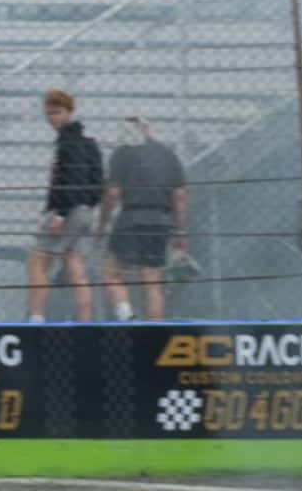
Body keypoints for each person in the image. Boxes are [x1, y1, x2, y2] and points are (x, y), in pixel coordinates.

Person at [97, 117, 187, 320]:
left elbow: (112, 194)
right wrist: (180, 232)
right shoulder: (168, 154)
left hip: (131, 218)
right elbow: (180, 198)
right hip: (161, 221)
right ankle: (154, 334)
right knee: (153, 282)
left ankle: (127, 316)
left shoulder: (123, 153)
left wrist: (103, 225)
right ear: (149, 130)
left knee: (112, 273)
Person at [27, 89, 103, 322]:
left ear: (69, 111)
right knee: (74, 263)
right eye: (49, 114)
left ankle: (36, 319)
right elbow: (97, 181)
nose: (52, 118)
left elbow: (72, 178)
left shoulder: (68, 143)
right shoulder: (90, 144)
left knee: (37, 260)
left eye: (57, 112)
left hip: (67, 209)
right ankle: (85, 322)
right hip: (85, 211)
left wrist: (60, 213)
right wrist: (87, 207)